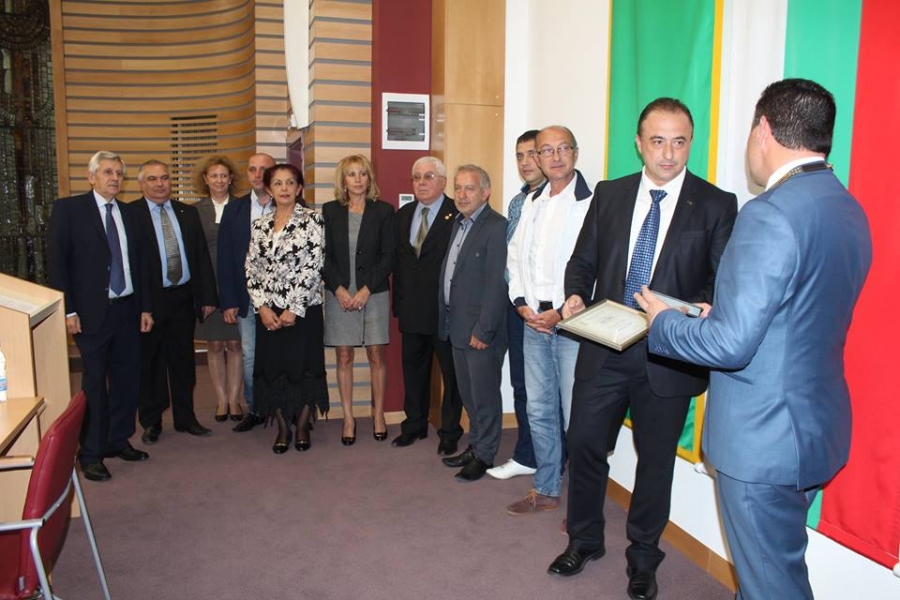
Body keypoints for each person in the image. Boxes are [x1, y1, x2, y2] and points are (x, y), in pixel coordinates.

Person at [636, 79, 872, 600]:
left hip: (763, 440)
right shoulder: (846, 206)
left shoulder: (769, 213)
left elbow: (729, 347)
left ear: (763, 129)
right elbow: (797, 315)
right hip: (815, 428)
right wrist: (716, 315)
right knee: (775, 566)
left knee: (772, 584)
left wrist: (664, 322)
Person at [551, 99, 737, 600]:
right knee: (584, 443)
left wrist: (695, 310)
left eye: (679, 142)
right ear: (639, 143)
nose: (668, 153)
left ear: (690, 143)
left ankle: (644, 558)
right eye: (658, 141)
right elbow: (582, 261)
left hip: (667, 357)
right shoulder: (610, 194)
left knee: (655, 463)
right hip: (605, 347)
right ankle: (584, 540)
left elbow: (720, 284)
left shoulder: (716, 204)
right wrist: (575, 295)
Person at [47, 151, 153, 482]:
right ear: (91, 176)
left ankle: (117, 440)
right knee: (94, 383)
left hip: (127, 310)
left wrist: (145, 307)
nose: (115, 178)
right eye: (108, 172)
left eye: (119, 173)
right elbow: (57, 263)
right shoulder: (69, 210)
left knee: (126, 380)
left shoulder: (130, 214)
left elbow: (141, 264)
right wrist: (68, 309)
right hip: (90, 313)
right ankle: (91, 453)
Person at [505, 125, 592, 515]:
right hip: (532, 322)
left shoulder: (592, 202)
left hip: (572, 323)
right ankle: (546, 487)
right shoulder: (531, 203)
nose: (555, 157)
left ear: (575, 152)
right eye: (546, 151)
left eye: (562, 148)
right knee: (538, 409)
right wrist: (521, 303)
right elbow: (516, 258)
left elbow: (592, 265)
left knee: (577, 417)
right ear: (537, 158)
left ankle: (581, 506)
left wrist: (559, 311)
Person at [129, 160, 218, 444]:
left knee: (183, 361)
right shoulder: (131, 214)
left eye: (165, 178)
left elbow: (201, 255)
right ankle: (151, 422)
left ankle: (186, 418)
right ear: (141, 183)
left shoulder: (186, 212)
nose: (160, 184)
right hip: (149, 301)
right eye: (153, 179)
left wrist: (207, 296)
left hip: (183, 297)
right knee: (150, 362)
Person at [245, 163, 329, 453]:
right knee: (273, 369)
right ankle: (282, 428)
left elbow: (313, 267)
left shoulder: (313, 220)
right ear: (269, 189)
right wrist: (262, 306)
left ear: (299, 188)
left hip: (303, 311)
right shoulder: (259, 225)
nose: (284, 188)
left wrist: (293, 308)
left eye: (290, 183)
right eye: (278, 183)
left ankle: (303, 426)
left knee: (305, 367)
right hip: (269, 312)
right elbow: (252, 269)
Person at [438, 165, 508, 482]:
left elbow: (496, 284)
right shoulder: (459, 223)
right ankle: (476, 445)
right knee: (469, 396)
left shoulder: (496, 226)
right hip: (457, 326)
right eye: (458, 188)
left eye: (469, 188)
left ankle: (486, 454)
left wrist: (484, 329)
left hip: (480, 331)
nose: (462, 195)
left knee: (484, 397)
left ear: (485, 192)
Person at [391, 156, 463, 456]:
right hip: (411, 309)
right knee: (413, 371)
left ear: (443, 182)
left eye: (429, 176)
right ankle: (414, 425)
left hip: (445, 311)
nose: (421, 182)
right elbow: (399, 262)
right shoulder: (403, 215)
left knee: (452, 376)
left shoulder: (457, 214)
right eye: (416, 177)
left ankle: (450, 432)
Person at [322, 155, 394, 445]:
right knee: (344, 356)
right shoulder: (330, 211)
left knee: (376, 355)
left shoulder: (384, 211)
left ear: (370, 178)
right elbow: (323, 255)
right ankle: (349, 418)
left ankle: (378, 414)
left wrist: (365, 290)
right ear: (343, 180)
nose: (358, 179)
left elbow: (389, 256)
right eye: (351, 174)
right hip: (338, 293)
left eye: (363, 173)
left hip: (373, 293)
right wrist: (339, 289)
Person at [487, 129, 544, 480]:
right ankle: (527, 455)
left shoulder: (562, 199)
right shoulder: (517, 202)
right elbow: (512, 259)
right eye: (520, 155)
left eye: (532, 154)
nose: (525, 162)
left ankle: (546, 455)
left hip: (546, 310)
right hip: (516, 306)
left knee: (545, 389)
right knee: (521, 384)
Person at [218, 153, 276, 433]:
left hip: (281, 299)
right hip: (245, 298)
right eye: (252, 169)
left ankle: (282, 407)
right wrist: (228, 300)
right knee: (250, 356)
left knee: (280, 355)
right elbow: (226, 258)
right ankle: (257, 409)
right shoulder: (235, 209)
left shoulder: (290, 204)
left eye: (263, 169)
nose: (257, 174)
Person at [193, 155, 243, 423]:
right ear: (205, 179)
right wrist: (203, 293)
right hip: (208, 286)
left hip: (236, 284)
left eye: (224, 175)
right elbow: (194, 254)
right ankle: (221, 400)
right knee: (214, 345)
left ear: (231, 178)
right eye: (214, 175)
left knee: (235, 343)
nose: (219, 180)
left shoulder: (242, 207)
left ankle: (235, 400)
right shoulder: (195, 210)